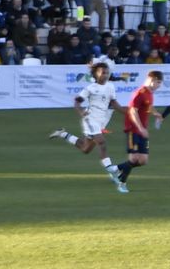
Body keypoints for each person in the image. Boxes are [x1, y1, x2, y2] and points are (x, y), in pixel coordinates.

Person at [48, 59, 128, 194]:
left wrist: (129, 112)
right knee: (102, 142)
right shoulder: (90, 88)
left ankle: (63, 134)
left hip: (100, 121)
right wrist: (80, 112)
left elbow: (115, 104)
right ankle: (112, 170)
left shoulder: (110, 87)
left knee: (85, 149)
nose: (106, 75)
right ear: (96, 74)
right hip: (89, 119)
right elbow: (77, 102)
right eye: (103, 72)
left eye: (107, 73)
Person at [116, 70, 163, 191]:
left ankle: (116, 168)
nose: (159, 86)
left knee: (143, 161)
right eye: (158, 82)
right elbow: (132, 111)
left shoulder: (150, 93)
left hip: (143, 130)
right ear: (152, 80)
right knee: (133, 158)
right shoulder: (140, 92)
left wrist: (156, 113)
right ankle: (121, 183)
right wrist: (140, 128)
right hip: (133, 129)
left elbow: (148, 106)